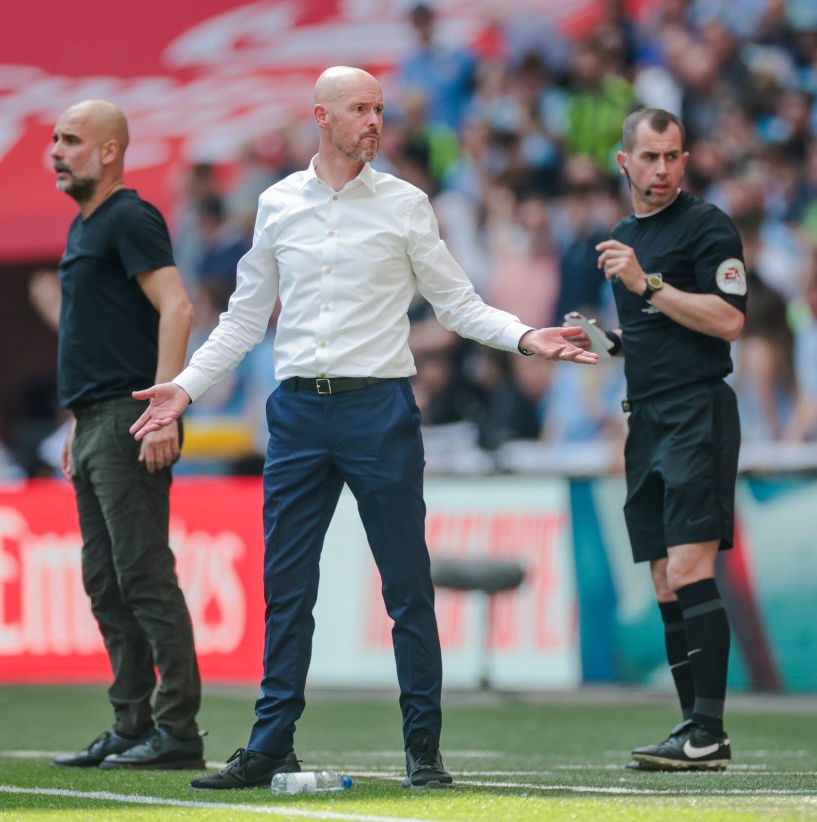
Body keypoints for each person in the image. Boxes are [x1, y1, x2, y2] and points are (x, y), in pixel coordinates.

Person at [129, 66, 598, 792]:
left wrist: (525, 337)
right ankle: (270, 743)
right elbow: (248, 317)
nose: (375, 121)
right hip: (295, 414)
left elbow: (458, 303)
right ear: (322, 117)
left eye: (379, 109)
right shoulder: (278, 203)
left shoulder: (408, 204)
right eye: (360, 109)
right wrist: (187, 386)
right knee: (287, 586)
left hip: (379, 409)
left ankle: (423, 749)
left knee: (406, 585)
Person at [583, 108, 747, 771]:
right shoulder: (625, 232)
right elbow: (656, 331)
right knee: (661, 579)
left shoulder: (707, 226)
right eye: (650, 157)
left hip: (697, 413)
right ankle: (692, 729)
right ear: (624, 162)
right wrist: (605, 342)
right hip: (646, 416)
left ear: (685, 159)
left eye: (673, 156)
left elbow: (729, 320)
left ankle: (708, 729)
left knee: (688, 569)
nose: (662, 169)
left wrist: (646, 281)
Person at [47, 99, 204, 771]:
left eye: (72, 140)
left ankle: (176, 732)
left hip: (126, 417)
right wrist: (75, 423)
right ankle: (132, 723)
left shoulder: (128, 217)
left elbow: (178, 305)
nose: (56, 151)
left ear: (109, 151)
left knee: (142, 575)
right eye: (55, 139)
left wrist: (164, 410)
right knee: (106, 581)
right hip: (93, 423)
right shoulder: (85, 227)